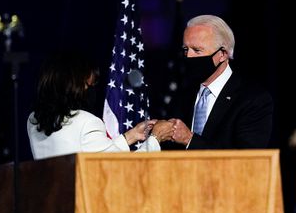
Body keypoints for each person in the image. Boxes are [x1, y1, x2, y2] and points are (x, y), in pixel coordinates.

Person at [27, 51, 174, 160]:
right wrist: (155, 138)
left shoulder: (33, 119)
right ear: (73, 85)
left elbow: (92, 150)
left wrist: (131, 136)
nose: (90, 90)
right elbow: (122, 168)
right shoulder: (86, 121)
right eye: (88, 85)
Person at [159, 14, 273, 150]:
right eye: (185, 49)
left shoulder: (253, 99)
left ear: (223, 54)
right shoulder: (183, 95)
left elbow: (246, 161)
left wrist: (189, 139)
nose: (188, 56)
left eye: (197, 50)